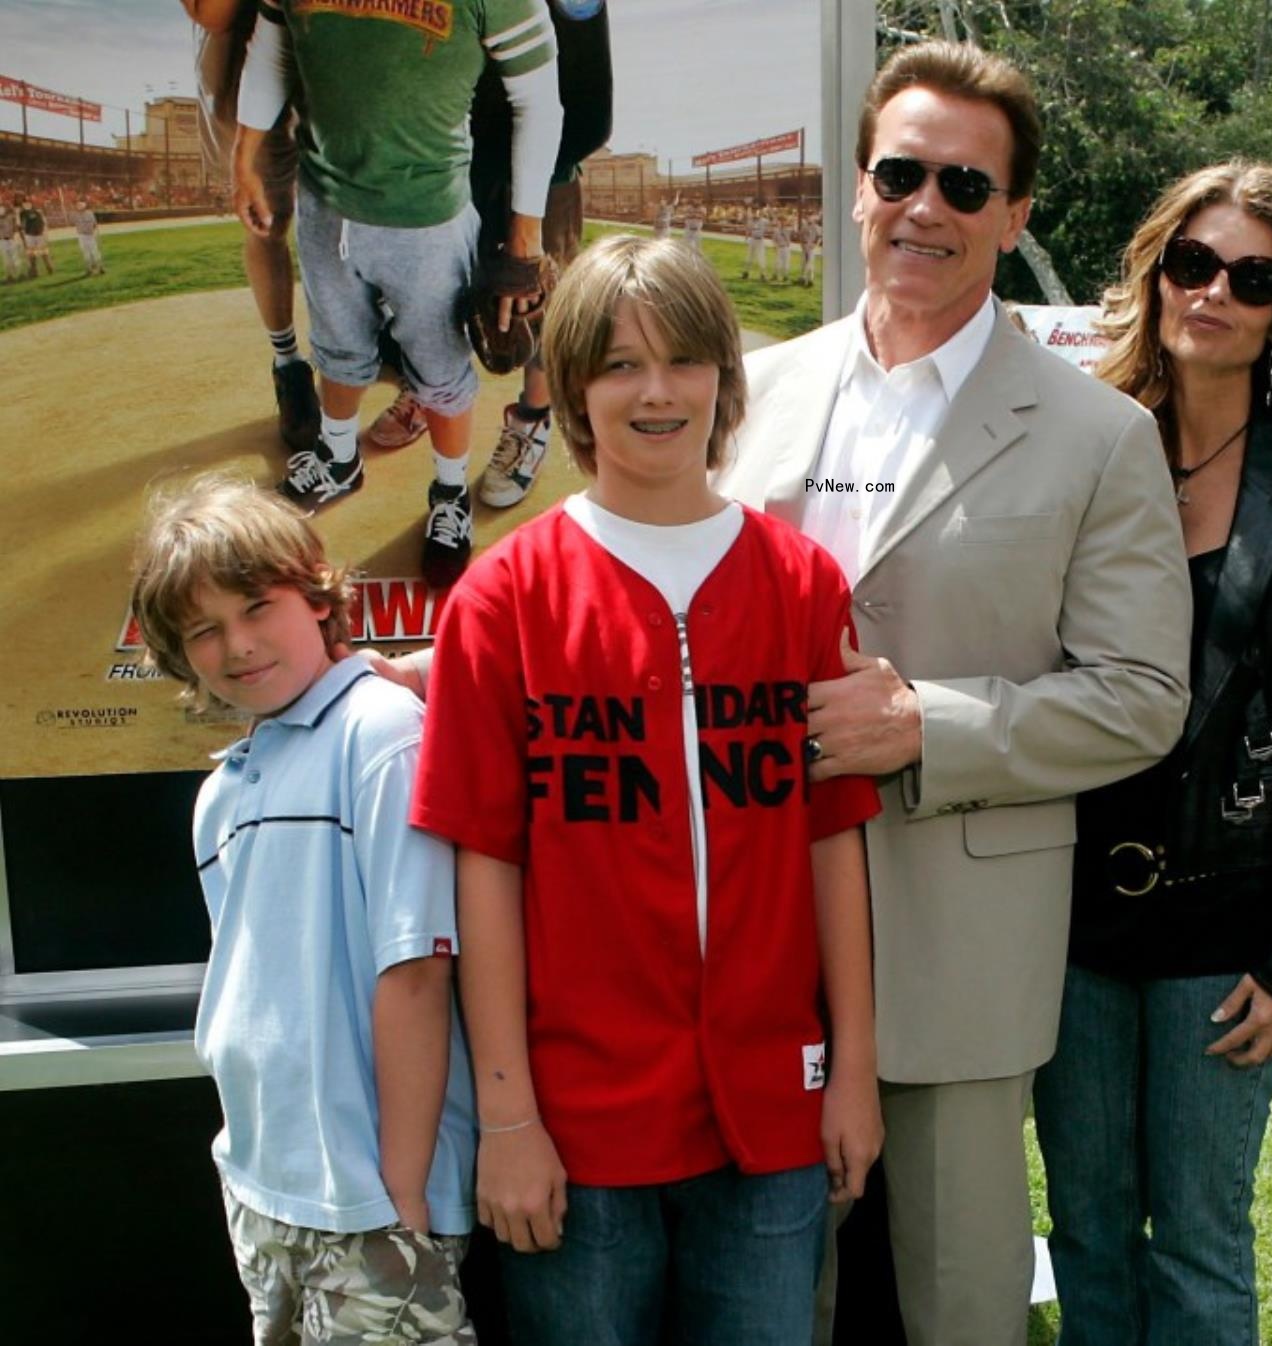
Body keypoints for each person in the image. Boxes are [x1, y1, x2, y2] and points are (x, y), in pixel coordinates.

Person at [717, 40, 1192, 1346]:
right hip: (747, 922)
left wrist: (927, 720)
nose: (928, 206)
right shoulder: (752, 392)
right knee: (760, 1295)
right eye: (903, 172)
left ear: (1017, 213)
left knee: (959, 1302)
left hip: (961, 932)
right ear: (859, 188)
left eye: (966, 187)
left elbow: (1146, 695)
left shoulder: (1099, 433)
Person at [410, 235, 884, 1345]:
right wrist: (510, 1114)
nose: (656, 391)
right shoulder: (503, 596)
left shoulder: (799, 578)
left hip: (770, 1110)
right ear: (572, 387)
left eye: (683, 360)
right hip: (578, 1130)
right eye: (619, 364)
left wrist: (850, 1071)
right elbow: (484, 868)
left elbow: (833, 843)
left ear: (725, 375)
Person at [1029, 160, 1272, 1346]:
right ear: (1155, 273)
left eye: (1251, 275)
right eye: (1193, 263)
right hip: (1068, 911)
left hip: (1225, 932)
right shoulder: (1076, 447)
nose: (1214, 292)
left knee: (1197, 1238)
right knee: (1082, 1223)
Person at [129, 475, 477, 1345]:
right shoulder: (221, 791)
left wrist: (402, 1192)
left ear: (317, 592)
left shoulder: (379, 731)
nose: (237, 645)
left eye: (255, 607)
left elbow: (418, 971)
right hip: (263, 1187)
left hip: (370, 1202)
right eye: (203, 630)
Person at [231, 0, 563, 584]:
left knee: (440, 366)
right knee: (336, 342)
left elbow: (538, 99)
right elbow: (271, 48)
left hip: (428, 218)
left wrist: (526, 234)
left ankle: (450, 493)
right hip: (324, 202)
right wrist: (244, 157)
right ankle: (339, 457)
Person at [470, 0, 615, 511]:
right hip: (454, 158)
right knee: (444, 289)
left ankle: (531, 419)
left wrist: (538, 181)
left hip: (544, 166)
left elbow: (592, 114)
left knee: (539, 307)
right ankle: (427, 395)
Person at [183, 0, 319, 452]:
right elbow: (212, 15)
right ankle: (288, 363)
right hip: (248, 57)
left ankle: (378, 337)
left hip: (344, 41)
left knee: (366, 210)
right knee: (267, 221)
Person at [19, 195, 50, 277]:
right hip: (29, 235)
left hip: (39, 235)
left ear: (31, 203)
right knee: (32, 255)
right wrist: (23, 236)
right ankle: (34, 271)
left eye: (28, 203)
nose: (26, 204)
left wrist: (43, 233)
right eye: (24, 203)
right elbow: (21, 225)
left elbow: (42, 223)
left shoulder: (37, 211)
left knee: (44, 253)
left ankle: (49, 268)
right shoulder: (22, 213)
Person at [73, 198, 104, 276]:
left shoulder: (89, 213)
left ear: (84, 206)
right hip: (82, 236)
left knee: (95, 252)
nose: (78, 207)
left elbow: (95, 224)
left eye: (80, 205)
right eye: (77, 205)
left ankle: (100, 268)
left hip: (90, 235)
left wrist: (96, 234)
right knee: (86, 253)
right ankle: (89, 269)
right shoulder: (75, 215)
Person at [0, 196, 21, 283]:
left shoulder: (11, 216)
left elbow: (16, 225)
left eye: (2, 209)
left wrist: (15, 234)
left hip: (11, 239)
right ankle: (10, 275)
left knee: (15, 257)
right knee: (6, 259)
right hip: (2, 240)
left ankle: (18, 274)